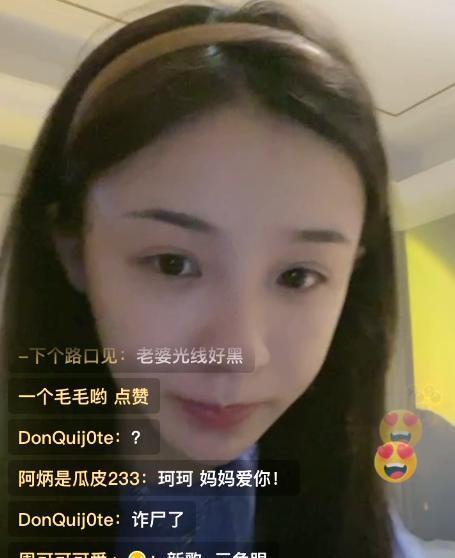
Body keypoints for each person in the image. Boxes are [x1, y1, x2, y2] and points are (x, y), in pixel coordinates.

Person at [0, 1, 424, 556]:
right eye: (173, 264)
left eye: (297, 276)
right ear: (75, 250)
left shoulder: (364, 532)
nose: (238, 353)